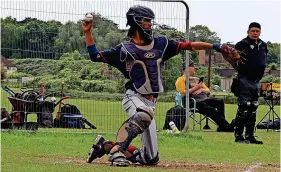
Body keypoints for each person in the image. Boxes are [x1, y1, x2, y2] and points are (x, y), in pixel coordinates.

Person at [82, 5, 237, 166]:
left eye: (151, 21)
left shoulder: (161, 43)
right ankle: (116, 153)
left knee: (150, 159)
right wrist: (87, 32)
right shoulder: (124, 50)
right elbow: (95, 56)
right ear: (135, 22)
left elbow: (188, 45)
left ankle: (105, 145)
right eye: (146, 21)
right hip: (133, 97)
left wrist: (215, 46)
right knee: (144, 114)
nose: (150, 24)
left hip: (151, 102)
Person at [231, 22, 267, 144]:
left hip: (257, 80)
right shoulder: (242, 44)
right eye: (253, 31)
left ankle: (250, 135)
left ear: (260, 32)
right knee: (244, 106)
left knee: (254, 106)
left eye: (257, 31)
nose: (255, 33)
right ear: (248, 32)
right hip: (245, 78)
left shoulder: (263, 45)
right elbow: (234, 60)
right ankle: (239, 136)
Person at [175, 59, 234, 132]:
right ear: (187, 68)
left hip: (203, 99)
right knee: (210, 109)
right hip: (191, 101)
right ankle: (226, 126)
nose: (195, 68)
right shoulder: (181, 79)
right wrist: (195, 88)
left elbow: (208, 91)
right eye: (193, 66)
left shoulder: (196, 79)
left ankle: (222, 126)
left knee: (220, 102)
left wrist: (202, 90)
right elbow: (183, 93)